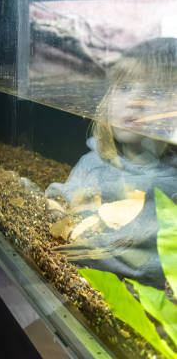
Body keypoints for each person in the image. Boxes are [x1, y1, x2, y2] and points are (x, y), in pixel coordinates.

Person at [46, 37, 177, 288]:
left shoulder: (171, 186)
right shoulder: (93, 163)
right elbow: (60, 199)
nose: (134, 102)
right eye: (125, 87)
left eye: (155, 92)